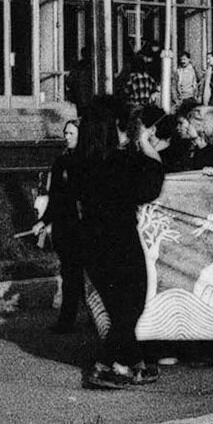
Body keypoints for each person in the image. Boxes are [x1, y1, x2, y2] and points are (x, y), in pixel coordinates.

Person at [75, 98, 166, 389]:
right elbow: (151, 185)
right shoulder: (121, 161)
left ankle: (134, 362)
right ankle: (104, 365)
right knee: (132, 304)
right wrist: (146, 144)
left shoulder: (81, 161)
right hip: (120, 241)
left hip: (91, 242)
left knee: (118, 307)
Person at [38, 119, 84, 334]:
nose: (67, 137)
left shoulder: (89, 161)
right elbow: (55, 198)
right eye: (65, 133)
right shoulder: (60, 163)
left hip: (85, 226)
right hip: (66, 227)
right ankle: (67, 320)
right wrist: (43, 221)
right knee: (70, 274)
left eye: (71, 133)